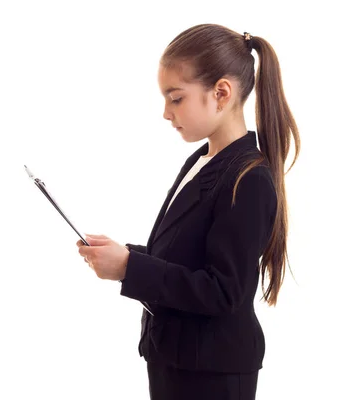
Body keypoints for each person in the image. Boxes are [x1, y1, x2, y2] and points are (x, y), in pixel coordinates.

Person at [77, 23, 300, 400]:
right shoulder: (203, 160)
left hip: (212, 373)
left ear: (221, 93)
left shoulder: (249, 179)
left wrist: (131, 269)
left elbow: (223, 292)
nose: (166, 112)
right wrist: (127, 256)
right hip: (178, 362)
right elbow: (186, 259)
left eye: (176, 98)